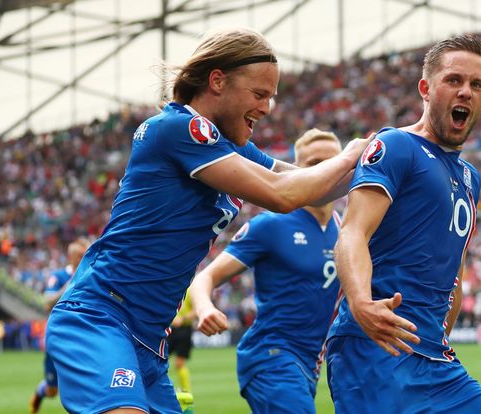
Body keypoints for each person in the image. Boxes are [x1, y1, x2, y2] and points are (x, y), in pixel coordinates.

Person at [45, 27, 369, 414]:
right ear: (217, 81)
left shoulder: (228, 146)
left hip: (148, 341)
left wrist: (387, 162)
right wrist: (350, 155)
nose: (267, 108)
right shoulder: (179, 128)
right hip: (101, 318)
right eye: (259, 94)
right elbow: (283, 195)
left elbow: (303, 184)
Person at [326, 34, 481, 413]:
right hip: (377, 347)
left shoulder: (471, 178)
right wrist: (361, 303)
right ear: (426, 88)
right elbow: (353, 232)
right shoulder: (396, 146)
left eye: (476, 85)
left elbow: (453, 271)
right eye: (453, 80)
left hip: (434, 356)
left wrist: (442, 334)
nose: (465, 92)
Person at [191, 128, 343, 414]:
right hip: (270, 358)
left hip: (309, 366)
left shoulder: (347, 231)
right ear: (296, 169)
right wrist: (205, 308)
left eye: (332, 162)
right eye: (313, 164)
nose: (325, 170)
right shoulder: (271, 225)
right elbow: (205, 277)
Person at [30, 238, 91, 414]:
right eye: (80, 255)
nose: (83, 258)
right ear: (71, 257)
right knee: (52, 390)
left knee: (83, 383)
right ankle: (39, 394)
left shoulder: (92, 275)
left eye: (85, 254)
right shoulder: (58, 276)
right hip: (59, 335)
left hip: (82, 335)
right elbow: (47, 302)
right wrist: (70, 284)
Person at [168, 289, 195, 393]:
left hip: (184, 330)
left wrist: (182, 319)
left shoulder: (190, 291)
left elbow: (195, 311)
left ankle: (186, 392)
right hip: (168, 329)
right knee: (160, 360)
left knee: (179, 363)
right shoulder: (171, 287)